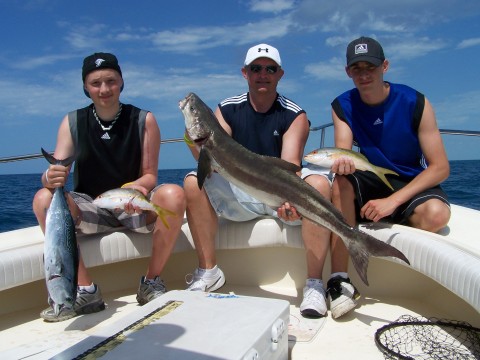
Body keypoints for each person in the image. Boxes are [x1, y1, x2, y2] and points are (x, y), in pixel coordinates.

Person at [32, 52, 186, 322]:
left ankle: (151, 283)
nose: (104, 89)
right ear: (85, 87)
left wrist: (137, 187)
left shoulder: (143, 119)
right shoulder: (72, 122)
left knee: (174, 194)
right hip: (91, 207)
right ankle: (83, 290)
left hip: (131, 205)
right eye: (96, 83)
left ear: (121, 83)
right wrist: (50, 176)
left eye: (111, 81)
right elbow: (58, 172)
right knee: (43, 199)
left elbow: (150, 175)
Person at [183, 43, 334, 318]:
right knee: (193, 182)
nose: (262, 74)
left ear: (280, 74)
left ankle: (314, 285)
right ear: (245, 73)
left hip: (279, 197)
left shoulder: (294, 114)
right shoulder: (227, 109)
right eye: (256, 68)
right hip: (241, 192)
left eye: (269, 69)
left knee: (321, 185)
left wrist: (289, 203)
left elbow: (290, 169)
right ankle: (209, 272)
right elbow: (209, 152)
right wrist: (193, 135)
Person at [329, 36, 451, 318]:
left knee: (436, 216)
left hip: (408, 178)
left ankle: (381, 215)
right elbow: (343, 154)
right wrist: (340, 164)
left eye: (370, 66)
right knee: (341, 183)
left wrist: (392, 201)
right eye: (356, 68)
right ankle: (338, 279)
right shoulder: (342, 105)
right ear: (348, 72)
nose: (364, 74)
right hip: (369, 177)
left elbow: (440, 167)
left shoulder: (415, 101)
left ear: (384, 66)